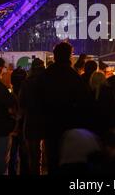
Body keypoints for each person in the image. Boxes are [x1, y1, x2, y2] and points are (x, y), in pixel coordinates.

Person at [36, 43, 91, 174]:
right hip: (69, 127)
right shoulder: (74, 77)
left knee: (53, 162)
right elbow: (84, 102)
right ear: (69, 56)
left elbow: (37, 99)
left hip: (50, 126)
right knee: (68, 163)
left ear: (55, 56)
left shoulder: (45, 75)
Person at [19, 58, 46, 175]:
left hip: (30, 121)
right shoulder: (48, 82)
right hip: (46, 120)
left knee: (33, 154)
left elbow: (21, 103)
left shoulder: (27, 83)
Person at [8, 66, 28, 175]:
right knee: (24, 156)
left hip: (13, 130)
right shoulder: (27, 94)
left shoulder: (10, 96)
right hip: (24, 129)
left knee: (12, 156)